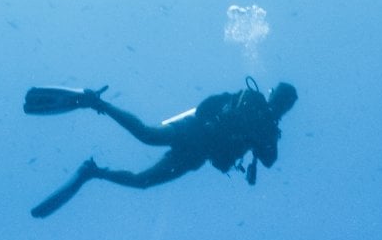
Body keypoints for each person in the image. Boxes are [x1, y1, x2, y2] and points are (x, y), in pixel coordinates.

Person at [24, 78, 297, 218]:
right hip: (195, 132)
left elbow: (270, 161)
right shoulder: (249, 98)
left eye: (286, 103)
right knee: (147, 135)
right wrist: (212, 126)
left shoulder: (270, 131)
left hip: (197, 156)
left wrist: (265, 136)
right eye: (281, 98)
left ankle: (93, 172)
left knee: (143, 182)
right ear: (274, 93)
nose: (281, 104)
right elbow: (208, 105)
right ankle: (96, 103)